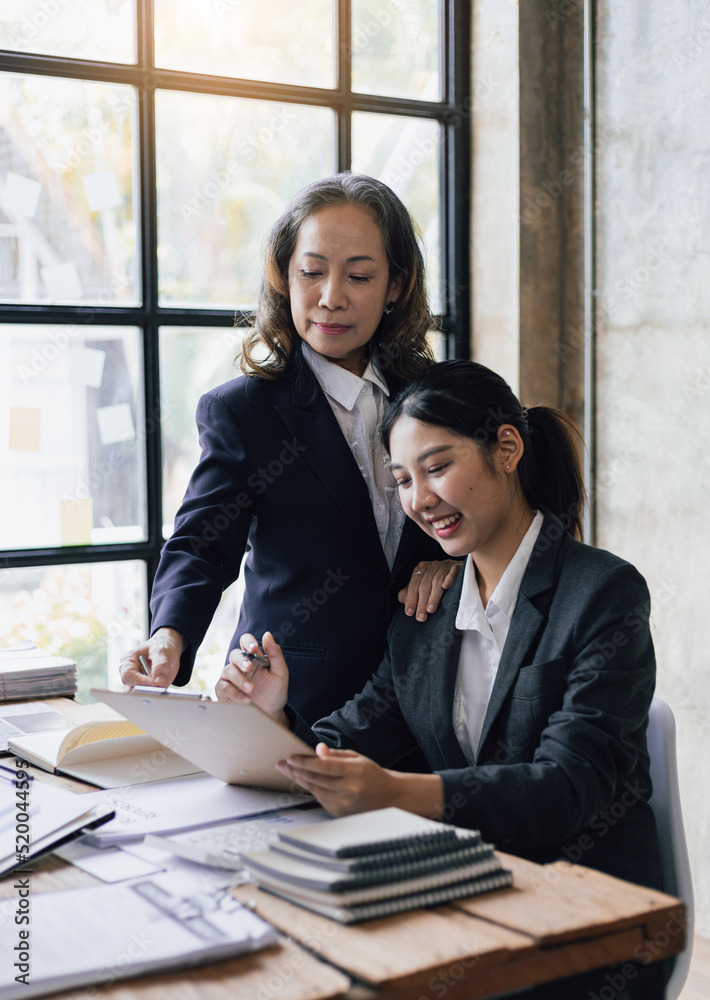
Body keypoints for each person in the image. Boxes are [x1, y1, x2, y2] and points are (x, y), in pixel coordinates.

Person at [220, 359, 667, 999]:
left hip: (583, 927)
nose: (420, 500)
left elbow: (570, 787)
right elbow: (351, 741)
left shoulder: (602, 592)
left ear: (506, 448)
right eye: (402, 480)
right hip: (459, 899)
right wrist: (271, 720)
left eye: (437, 467)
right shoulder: (426, 609)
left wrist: (400, 793)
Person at [120, 173, 458, 724]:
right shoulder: (244, 412)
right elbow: (203, 544)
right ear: (284, 276)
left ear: (396, 284)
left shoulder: (442, 395)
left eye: (360, 276)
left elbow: (507, 511)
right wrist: (170, 634)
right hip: (291, 699)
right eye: (312, 272)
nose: (331, 298)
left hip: (429, 695)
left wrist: (457, 565)